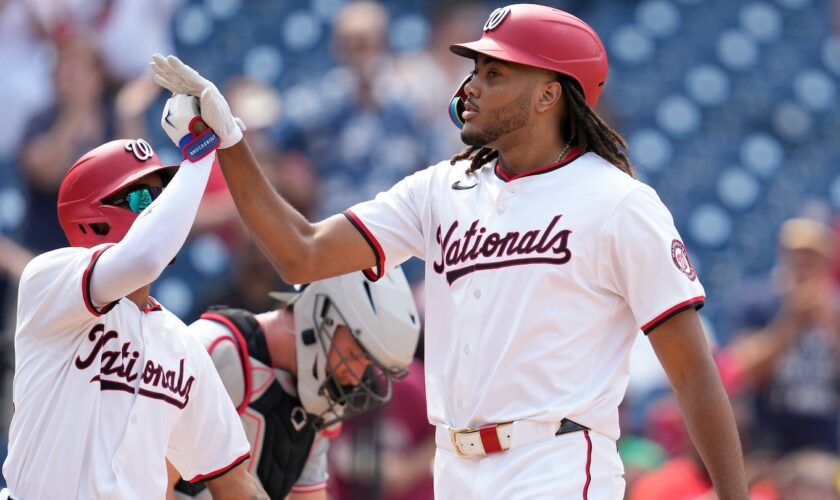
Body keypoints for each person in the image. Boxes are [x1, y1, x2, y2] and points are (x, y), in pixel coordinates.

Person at [150, 4, 748, 498]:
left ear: (548, 95)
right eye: (476, 69)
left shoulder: (619, 204)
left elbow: (694, 374)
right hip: (454, 468)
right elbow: (301, 254)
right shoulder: (443, 188)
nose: (472, 86)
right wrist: (230, 142)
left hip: (556, 463)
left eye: (495, 73)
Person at [2, 94, 267, 498]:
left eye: (163, 193)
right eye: (143, 197)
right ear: (90, 223)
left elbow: (234, 480)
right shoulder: (49, 280)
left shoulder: (182, 344)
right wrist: (200, 157)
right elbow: (143, 256)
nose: (160, 207)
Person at [168, 267, 421, 499]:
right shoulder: (216, 351)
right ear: (322, 314)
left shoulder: (317, 393)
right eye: (356, 354)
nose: (356, 377)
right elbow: (152, 482)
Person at [724, 217, 839, 454]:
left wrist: (830, 325)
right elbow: (745, 369)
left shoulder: (834, 307)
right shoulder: (758, 299)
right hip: (769, 440)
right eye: (797, 253)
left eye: (811, 255)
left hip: (825, 439)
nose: (803, 263)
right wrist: (792, 319)